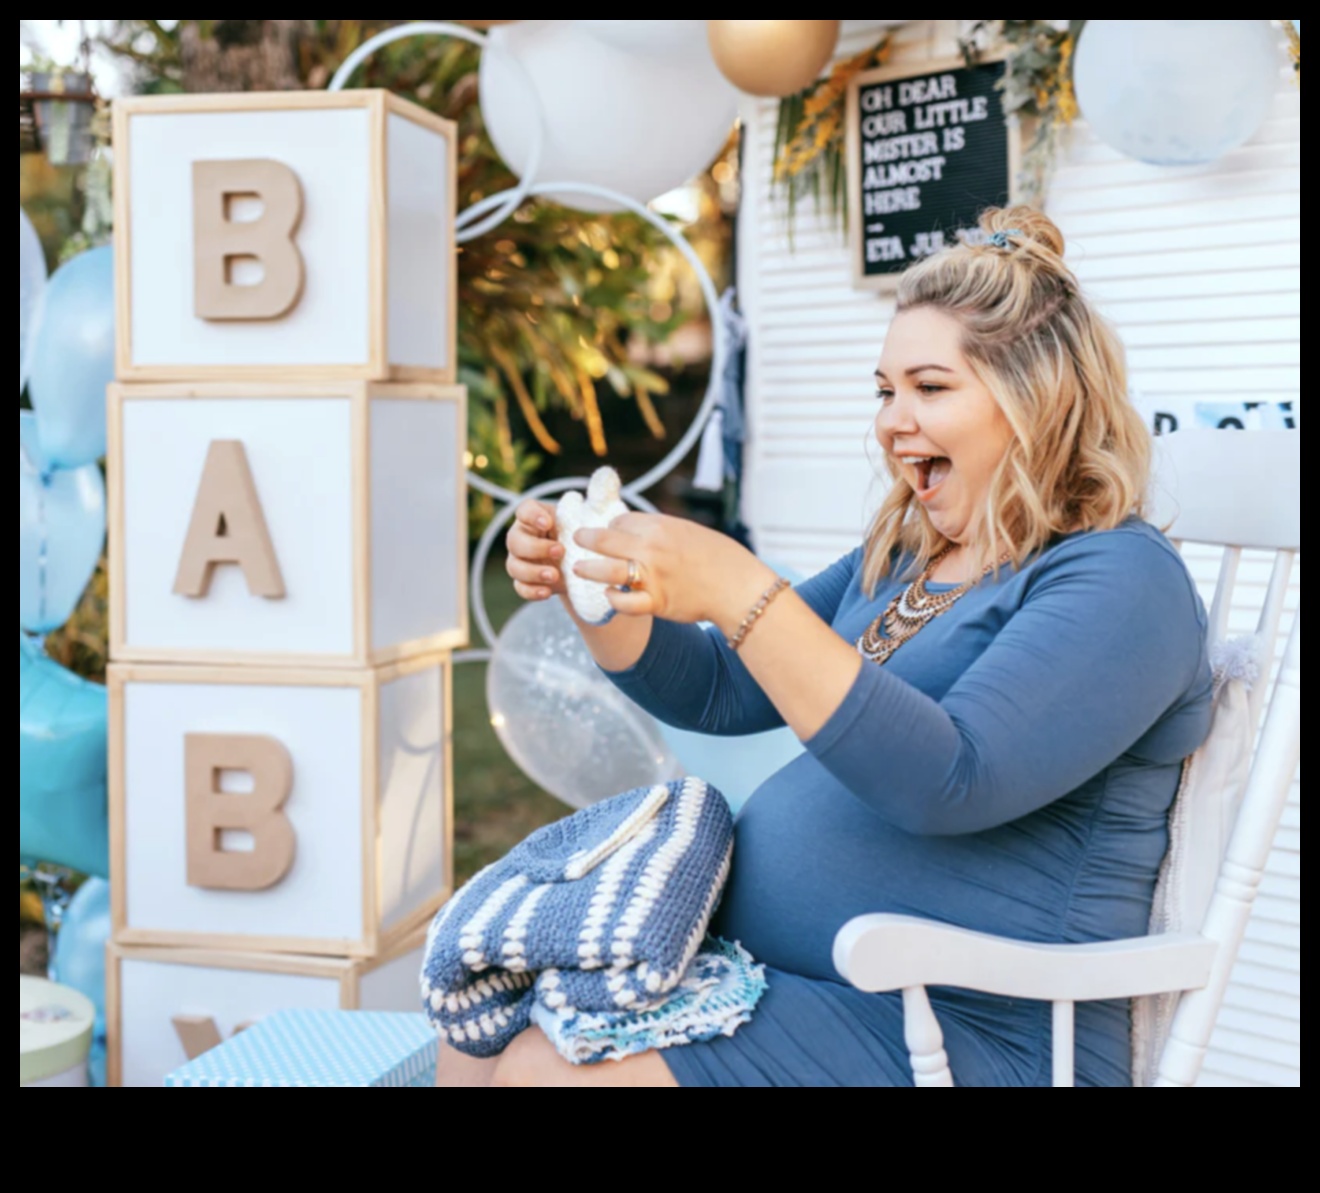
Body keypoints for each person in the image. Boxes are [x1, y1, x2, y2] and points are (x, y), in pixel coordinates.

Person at [442, 206, 1214, 1088]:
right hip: (798, 981)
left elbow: (950, 779)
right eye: (886, 391)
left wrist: (742, 588)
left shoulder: (1119, 578)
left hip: (970, 1022)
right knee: (480, 1027)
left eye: (931, 387)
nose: (893, 421)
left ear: (1037, 397)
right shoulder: (910, 554)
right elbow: (724, 688)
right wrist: (601, 594)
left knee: (549, 1072)